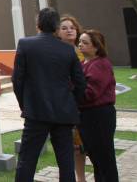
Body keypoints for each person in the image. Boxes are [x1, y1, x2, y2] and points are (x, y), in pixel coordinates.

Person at [12, 8, 86, 182]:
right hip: (64, 113)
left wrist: (25, 105)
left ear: (38, 25)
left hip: (36, 113)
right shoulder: (68, 50)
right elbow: (81, 83)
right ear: (56, 27)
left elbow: (17, 81)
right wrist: (71, 103)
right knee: (66, 162)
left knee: (27, 160)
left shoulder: (25, 44)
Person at [78, 30, 119, 182]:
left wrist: (72, 93)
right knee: (96, 159)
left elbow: (90, 93)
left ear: (96, 47)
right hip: (87, 116)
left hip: (99, 116)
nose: (80, 44)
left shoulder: (100, 64)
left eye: (85, 42)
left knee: (105, 159)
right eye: (80, 41)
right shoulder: (84, 63)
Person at [59, 14, 87, 182]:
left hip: (84, 104)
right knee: (71, 146)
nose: (69, 30)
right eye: (64, 28)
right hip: (66, 105)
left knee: (81, 146)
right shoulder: (56, 52)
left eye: (72, 27)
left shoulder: (84, 50)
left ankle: (81, 178)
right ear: (57, 32)